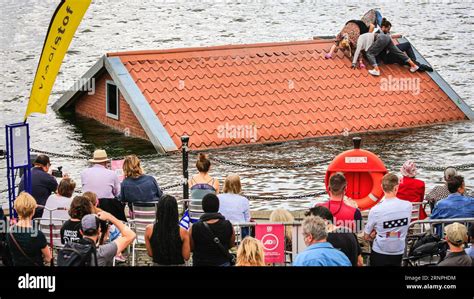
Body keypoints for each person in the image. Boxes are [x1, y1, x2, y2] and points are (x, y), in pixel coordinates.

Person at [364, 173, 412, 266]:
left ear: (382, 187)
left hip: (380, 251)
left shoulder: (376, 210)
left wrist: (376, 234)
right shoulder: (408, 206)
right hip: (399, 250)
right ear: (396, 188)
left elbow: (366, 236)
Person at [353, 19, 419, 76]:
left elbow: (362, 50)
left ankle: (376, 70)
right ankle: (414, 65)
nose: (389, 30)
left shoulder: (363, 38)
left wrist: (354, 62)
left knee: (369, 53)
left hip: (382, 41)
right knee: (398, 52)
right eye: (388, 29)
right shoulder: (377, 34)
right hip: (387, 39)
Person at [6, 192, 52, 266]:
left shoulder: (10, 231)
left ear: (16, 210)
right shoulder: (38, 234)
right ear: (33, 211)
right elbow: (48, 258)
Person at [189, 194, 235, 266]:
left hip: (200, 262)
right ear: (218, 207)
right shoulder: (228, 225)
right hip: (222, 262)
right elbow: (231, 244)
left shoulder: (195, 227)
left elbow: (191, 247)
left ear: (203, 207)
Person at [145, 195, 190, 266]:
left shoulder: (149, 229)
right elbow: (186, 257)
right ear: (175, 210)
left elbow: (150, 254)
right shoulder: (183, 232)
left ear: (159, 210)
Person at [81, 149, 125, 221]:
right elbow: (117, 193)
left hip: (87, 205)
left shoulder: (84, 173)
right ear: (105, 161)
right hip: (107, 207)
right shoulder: (112, 173)